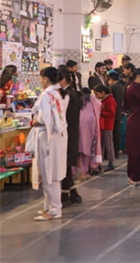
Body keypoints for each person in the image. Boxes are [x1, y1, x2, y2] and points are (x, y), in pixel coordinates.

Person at [29, 67, 69, 221]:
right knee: (52, 172)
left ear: (45, 79)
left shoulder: (47, 95)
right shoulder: (59, 93)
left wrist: (33, 121)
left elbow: (45, 119)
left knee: (48, 172)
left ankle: (54, 209)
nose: (40, 81)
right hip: (58, 136)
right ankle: (49, 206)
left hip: (47, 136)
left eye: (40, 78)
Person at [56, 67, 82, 205]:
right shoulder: (69, 93)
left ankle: (65, 196)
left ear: (63, 80)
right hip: (69, 132)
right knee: (65, 164)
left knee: (65, 165)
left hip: (69, 133)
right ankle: (74, 194)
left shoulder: (69, 95)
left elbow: (69, 118)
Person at [77, 87, 102, 177]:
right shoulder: (92, 99)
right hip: (90, 123)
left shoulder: (78, 99)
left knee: (78, 147)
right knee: (87, 147)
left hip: (77, 122)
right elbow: (99, 105)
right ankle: (84, 172)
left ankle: (73, 173)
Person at [94, 85, 116, 171]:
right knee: (102, 145)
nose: (96, 96)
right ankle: (100, 162)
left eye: (97, 94)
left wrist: (101, 112)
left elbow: (111, 114)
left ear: (103, 93)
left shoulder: (110, 101)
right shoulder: (104, 100)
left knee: (108, 144)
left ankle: (111, 162)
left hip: (107, 125)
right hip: (102, 124)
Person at [106, 72, 124, 157]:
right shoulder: (122, 86)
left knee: (111, 134)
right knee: (117, 133)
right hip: (119, 113)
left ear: (111, 79)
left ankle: (111, 152)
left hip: (112, 112)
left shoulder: (112, 87)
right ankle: (116, 151)